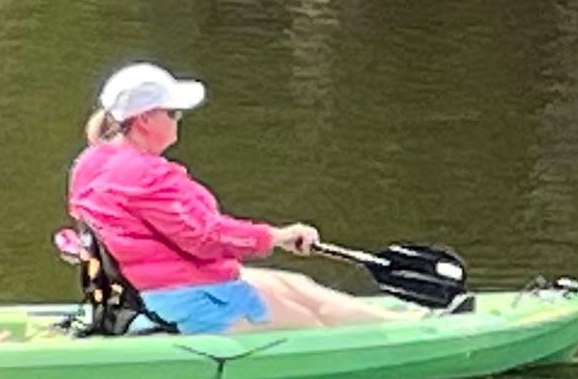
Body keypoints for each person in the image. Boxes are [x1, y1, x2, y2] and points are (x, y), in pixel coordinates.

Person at [65, 63, 391, 332]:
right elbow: (205, 237)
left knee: (296, 286)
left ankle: (397, 325)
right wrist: (276, 236)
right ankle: (395, 341)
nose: (179, 120)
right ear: (145, 120)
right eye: (173, 112)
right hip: (177, 301)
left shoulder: (88, 164)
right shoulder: (149, 175)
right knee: (311, 326)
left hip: (142, 292)